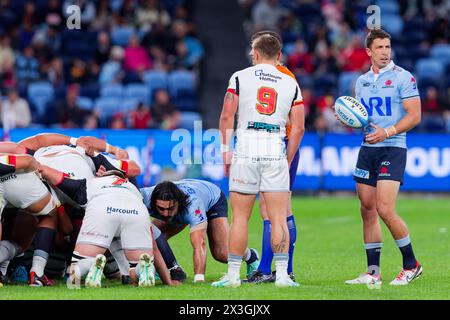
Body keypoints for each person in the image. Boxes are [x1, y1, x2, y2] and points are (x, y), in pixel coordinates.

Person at [212, 31, 304, 288]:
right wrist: (286, 158)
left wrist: (226, 150)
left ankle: (232, 276)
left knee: (240, 217)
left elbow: (226, 116)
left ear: (257, 53)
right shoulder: (290, 82)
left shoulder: (240, 77)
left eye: (253, 51)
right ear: (279, 55)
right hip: (275, 144)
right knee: (278, 216)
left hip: (247, 143)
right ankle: (283, 276)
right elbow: (298, 128)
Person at [343, 29, 422, 286]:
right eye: (379, 47)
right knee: (367, 209)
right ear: (369, 51)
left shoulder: (403, 78)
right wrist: (348, 119)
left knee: (385, 209)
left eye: (387, 47)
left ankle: (412, 265)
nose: (385, 52)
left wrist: (387, 132)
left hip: (393, 147)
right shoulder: (362, 82)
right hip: (368, 149)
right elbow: (363, 117)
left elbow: (414, 115)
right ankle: (373, 272)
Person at [140, 179, 260, 283]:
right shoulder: (144, 196)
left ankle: (251, 256)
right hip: (187, 200)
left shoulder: (192, 206)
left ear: (178, 203)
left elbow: (199, 243)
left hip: (212, 199)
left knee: (222, 253)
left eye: (170, 208)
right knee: (148, 237)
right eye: (161, 209)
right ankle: (161, 270)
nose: (165, 213)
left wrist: (199, 279)